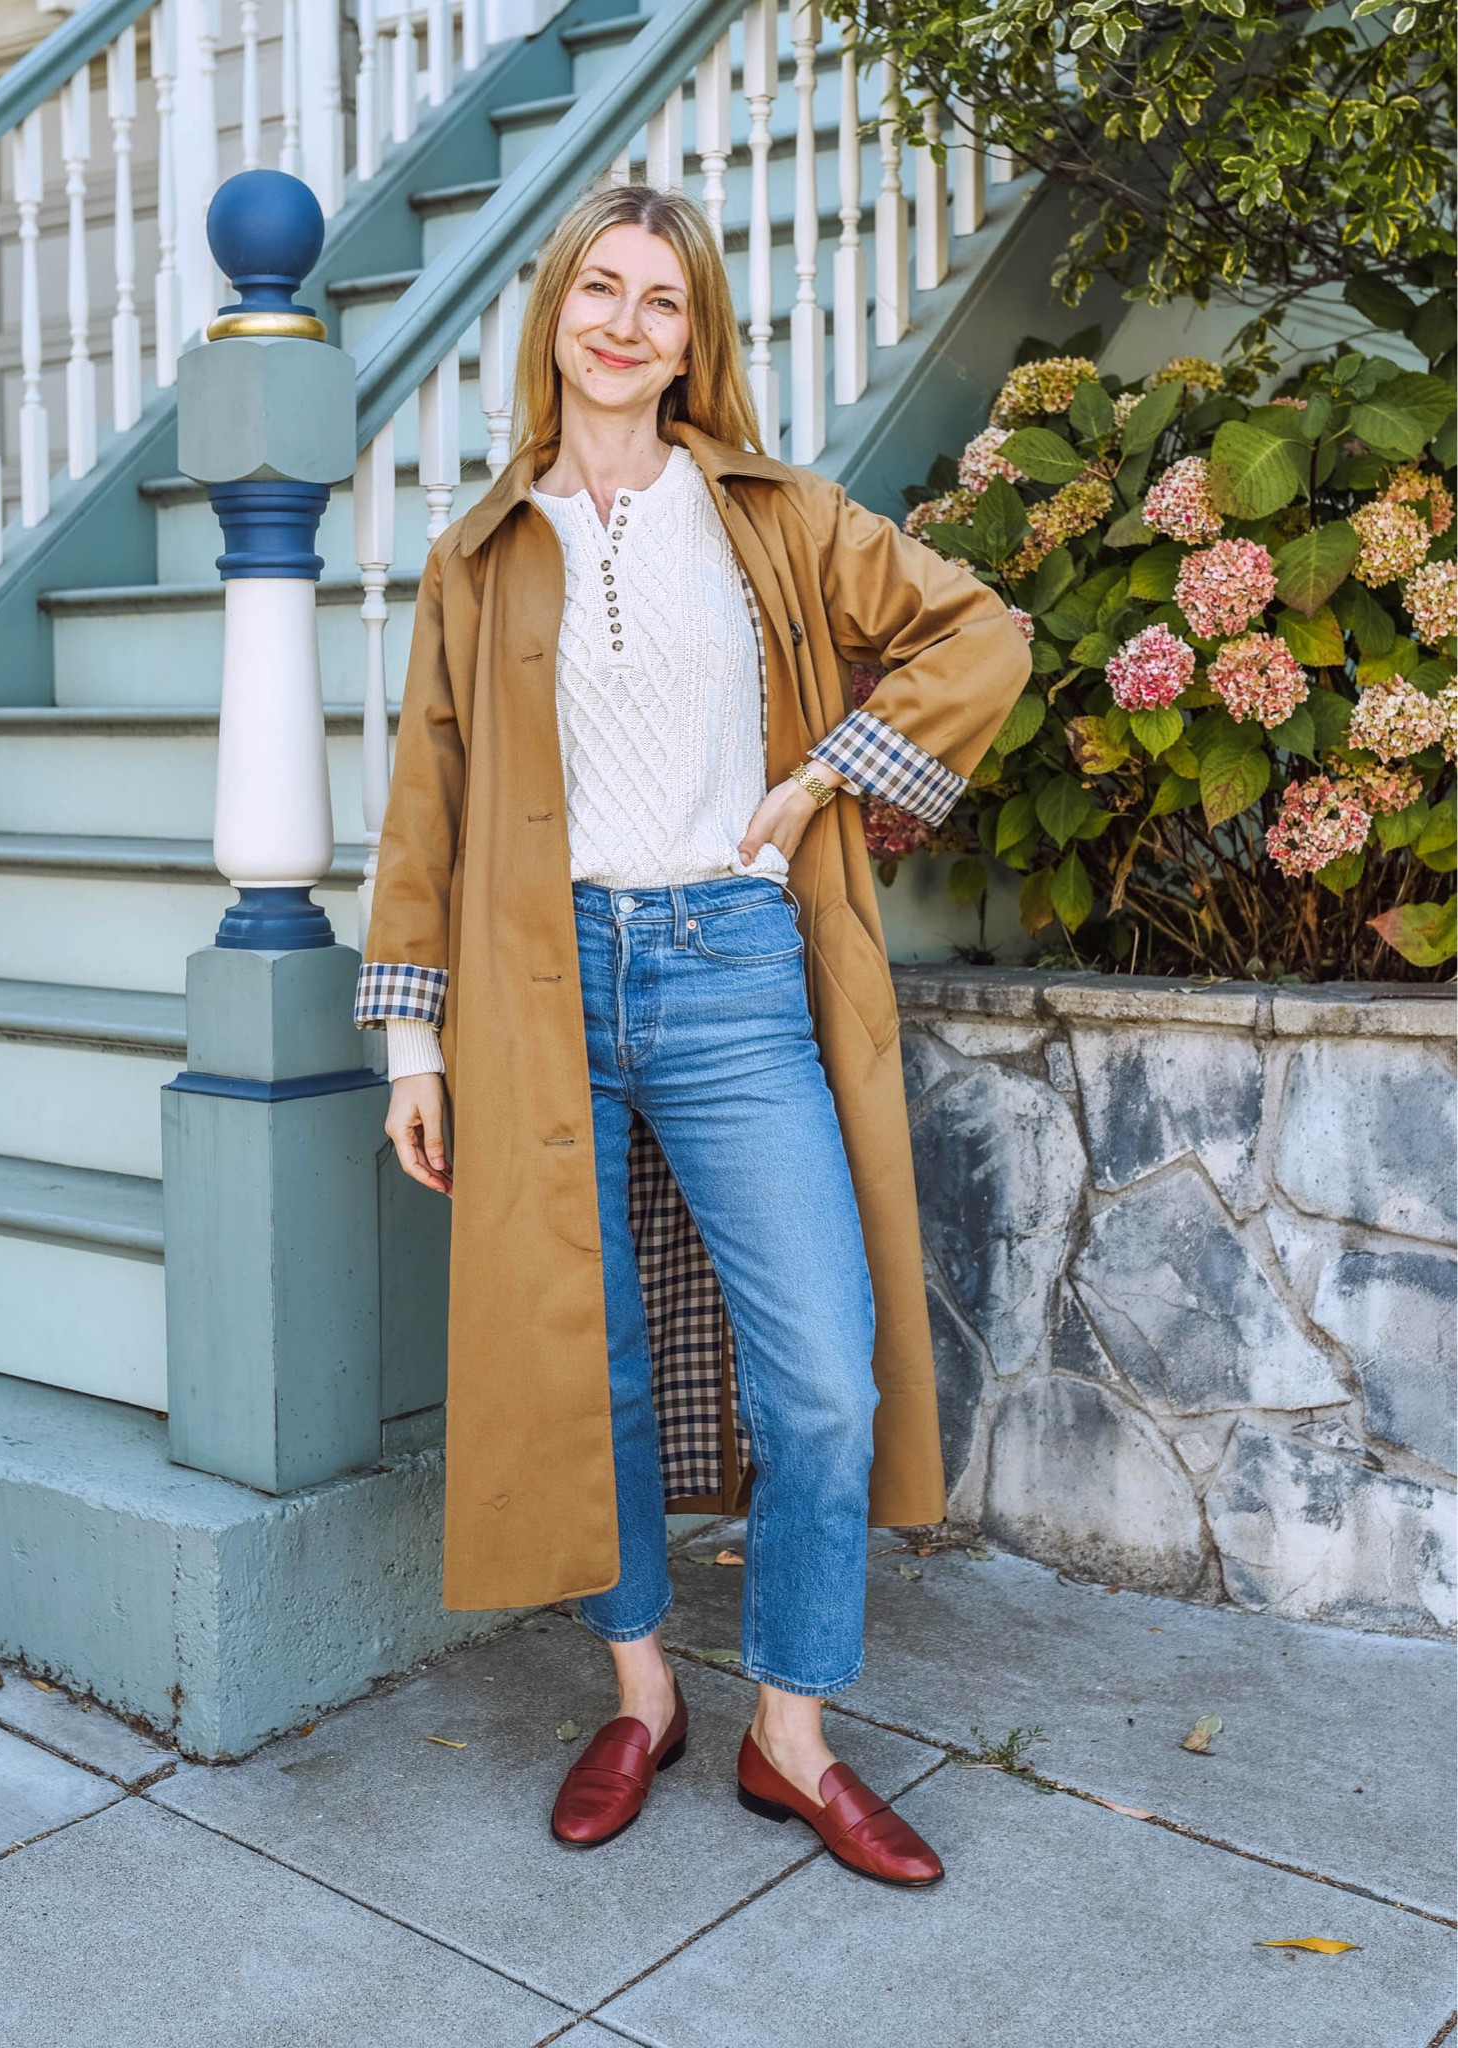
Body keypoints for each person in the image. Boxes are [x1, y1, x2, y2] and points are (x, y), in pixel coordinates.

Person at [357, 184, 1029, 1885]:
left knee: (822, 1377)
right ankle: (643, 1694)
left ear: (694, 341)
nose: (626, 323)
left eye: (663, 300)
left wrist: (828, 775)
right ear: (556, 315)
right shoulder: (478, 553)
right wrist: (413, 1049)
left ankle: (790, 1736)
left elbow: (981, 632)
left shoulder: (775, 516)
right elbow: (426, 808)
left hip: (733, 969)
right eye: (601, 288)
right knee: (592, 1365)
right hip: (537, 989)